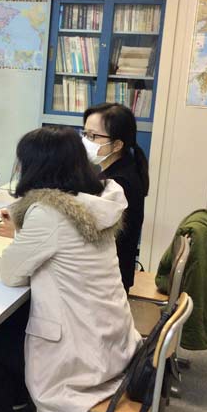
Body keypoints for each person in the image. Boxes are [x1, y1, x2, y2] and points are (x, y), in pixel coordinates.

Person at [0, 126, 141, 412]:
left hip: (83, 352)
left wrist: (22, 232)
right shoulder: (101, 197)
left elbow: (11, 273)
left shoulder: (49, 214)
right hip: (111, 335)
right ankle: (20, 405)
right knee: (16, 319)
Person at [82, 103, 150, 292]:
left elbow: (89, 234)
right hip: (110, 272)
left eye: (93, 136)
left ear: (118, 144)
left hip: (107, 282)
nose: (86, 141)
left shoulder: (119, 182)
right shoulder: (122, 166)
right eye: (85, 133)